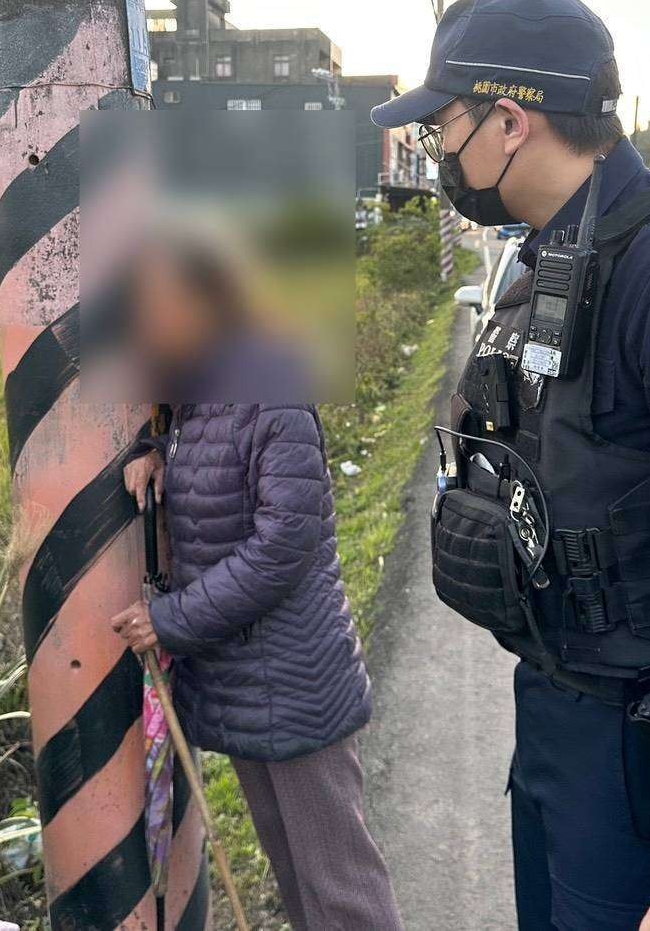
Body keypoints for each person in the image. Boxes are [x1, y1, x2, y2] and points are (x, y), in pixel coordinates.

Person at [371, 0, 650, 931]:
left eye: (441, 126)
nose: (437, 151)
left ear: (508, 121)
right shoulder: (555, 254)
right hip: (556, 719)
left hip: (638, 756)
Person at [110, 247, 403, 931]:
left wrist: (170, 620)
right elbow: (212, 477)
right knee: (298, 880)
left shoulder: (270, 386)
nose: (146, 320)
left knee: (340, 890)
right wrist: (153, 452)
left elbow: (284, 545)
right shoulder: (195, 393)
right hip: (246, 684)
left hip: (294, 681)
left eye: (160, 303)